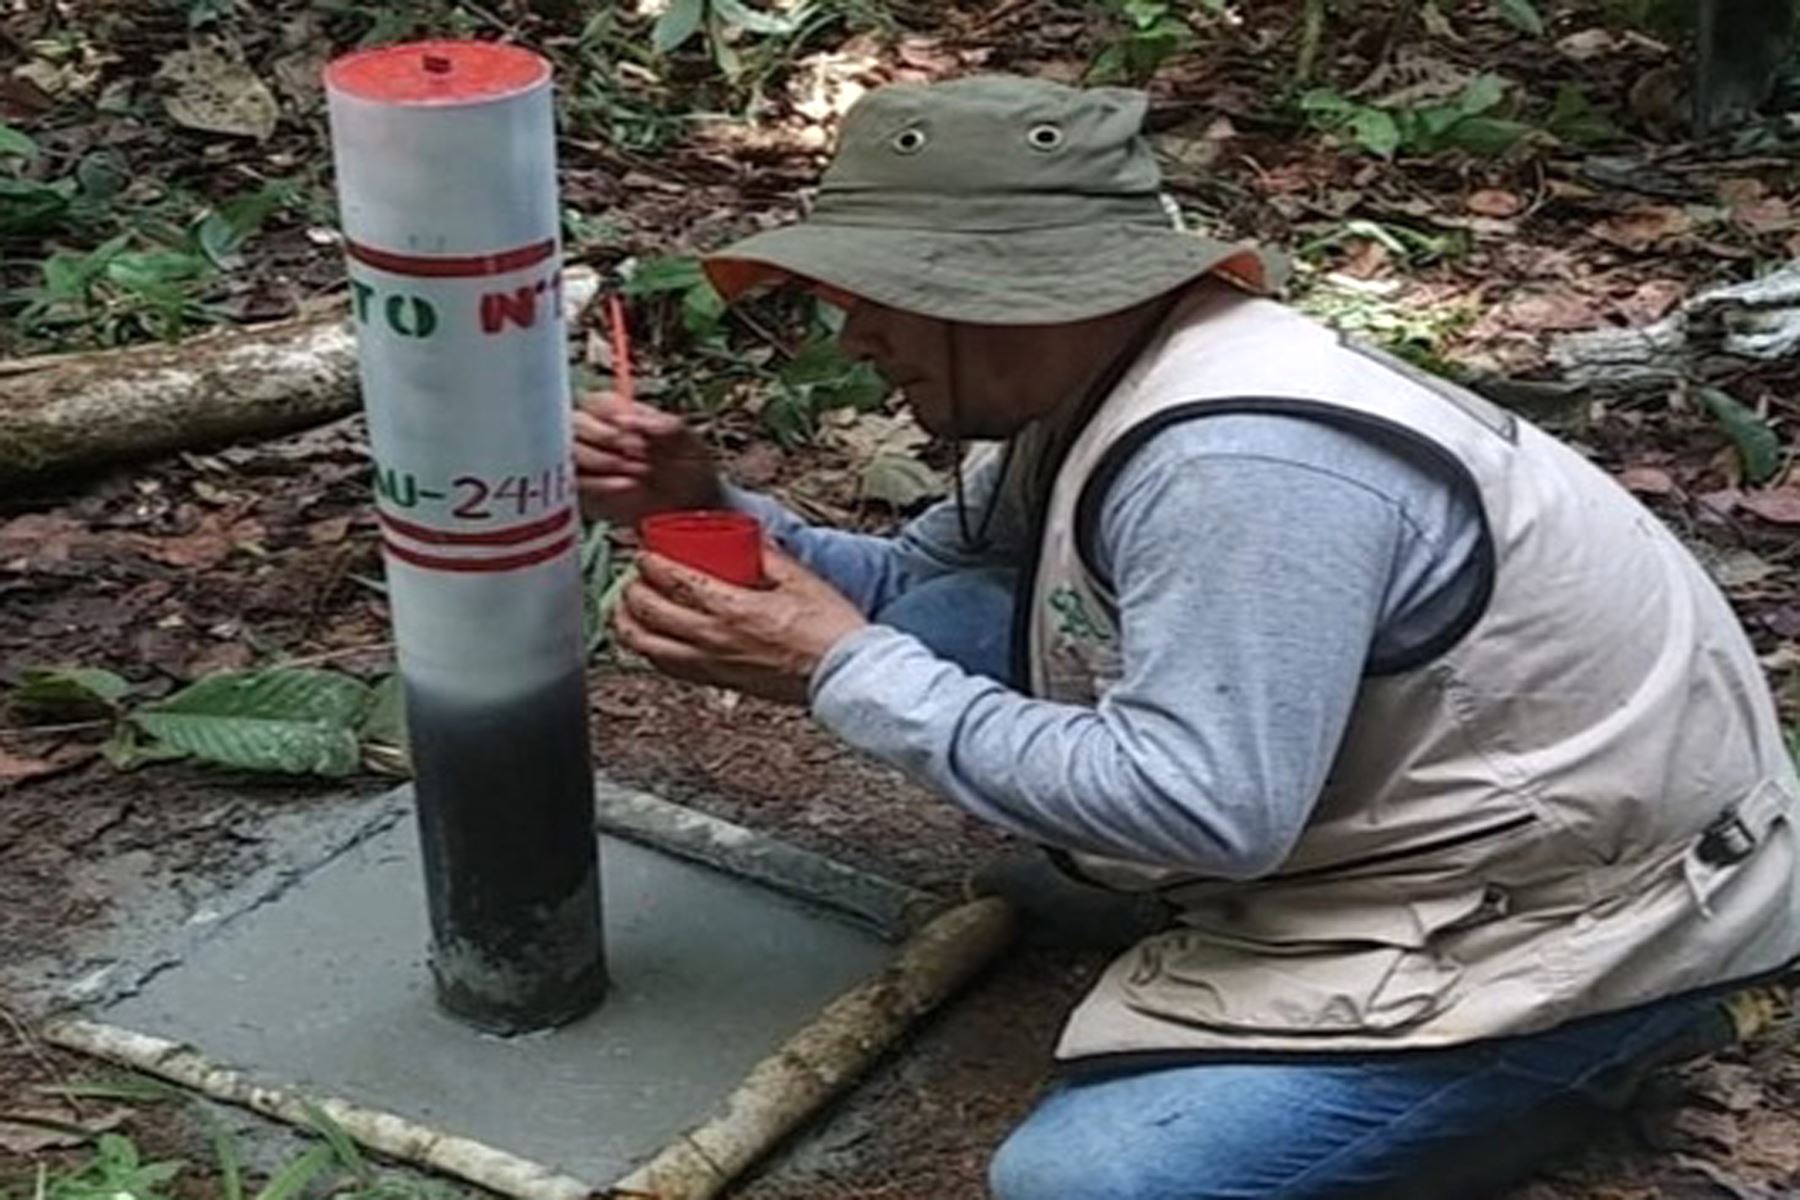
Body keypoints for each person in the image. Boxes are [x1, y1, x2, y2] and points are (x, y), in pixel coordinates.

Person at [573, 75, 1800, 1199]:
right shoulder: (1110, 377)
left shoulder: (1238, 467)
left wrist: (837, 667)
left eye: (874, 302)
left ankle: (1572, 1063)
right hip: (1431, 824)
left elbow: (1212, 810)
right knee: (942, 624)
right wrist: (703, 509)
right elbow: (909, 593)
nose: (858, 343)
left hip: (1595, 915)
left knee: (1090, 1183)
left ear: (991, 296)